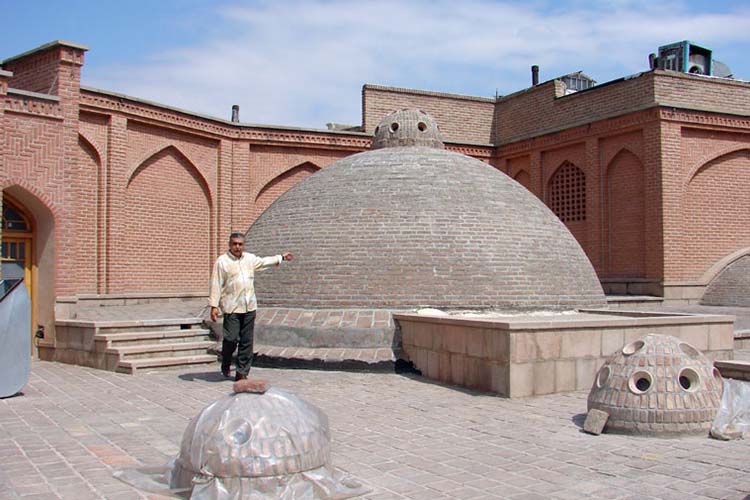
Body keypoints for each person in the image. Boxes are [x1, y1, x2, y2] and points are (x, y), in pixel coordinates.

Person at [209, 232, 293, 380]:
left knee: (247, 341)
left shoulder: (249, 259)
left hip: (249, 307)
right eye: (234, 244)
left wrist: (281, 257)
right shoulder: (222, 262)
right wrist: (214, 305)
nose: (237, 247)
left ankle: (242, 372)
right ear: (229, 245)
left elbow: (264, 261)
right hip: (232, 307)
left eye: (240, 244)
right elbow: (216, 283)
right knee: (231, 339)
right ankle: (226, 362)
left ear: (243, 245)